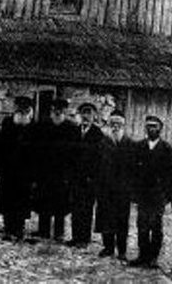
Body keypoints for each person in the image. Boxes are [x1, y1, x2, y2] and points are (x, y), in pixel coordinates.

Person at [130, 115, 172, 269]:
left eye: (154, 126)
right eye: (148, 126)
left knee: (156, 227)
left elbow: (170, 176)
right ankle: (143, 256)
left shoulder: (167, 149)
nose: (151, 129)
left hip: (158, 195)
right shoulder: (139, 146)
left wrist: (166, 196)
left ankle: (153, 258)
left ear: (160, 128)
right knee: (141, 225)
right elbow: (134, 172)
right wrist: (135, 194)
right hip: (143, 195)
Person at [33, 97, 78, 240]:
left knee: (60, 203)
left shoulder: (71, 128)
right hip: (45, 171)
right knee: (44, 201)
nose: (58, 111)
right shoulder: (43, 126)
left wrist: (70, 173)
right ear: (51, 110)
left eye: (61, 109)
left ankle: (59, 232)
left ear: (64, 111)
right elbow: (37, 151)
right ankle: (43, 230)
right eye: (55, 109)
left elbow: (73, 153)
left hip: (62, 172)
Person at [95, 109, 136, 260]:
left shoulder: (130, 144)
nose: (115, 126)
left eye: (118, 124)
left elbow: (133, 169)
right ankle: (108, 247)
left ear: (123, 125)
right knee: (106, 218)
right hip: (106, 188)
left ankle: (122, 250)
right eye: (113, 123)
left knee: (121, 220)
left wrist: (130, 189)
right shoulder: (103, 143)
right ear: (109, 124)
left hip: (122, 191)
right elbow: (97, 166)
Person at [0, 95, 36, 241]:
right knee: (8, 198)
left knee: (22, 199)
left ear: (29, 110)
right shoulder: (7, 123)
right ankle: (8, 227)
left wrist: (32, 171)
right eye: (20, 108)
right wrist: (1, 166)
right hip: (8, 169)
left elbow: (37, 151)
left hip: (25, 171)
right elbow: (0, 146)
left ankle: (19, 228)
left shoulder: (33, 126)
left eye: (25, 108)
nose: (22, 111)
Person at [68, 102, 105, 247]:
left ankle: (84, 238)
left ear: (94, 116)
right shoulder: (75, 132)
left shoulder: (97, 134)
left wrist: (93, 177)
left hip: (89, 179)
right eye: (83, 113)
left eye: (89, 113)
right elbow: (70, 154)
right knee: (75, 207)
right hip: (76, 178)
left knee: (86, 209)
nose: (86, 116)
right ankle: (75, 236)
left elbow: (99, 158)